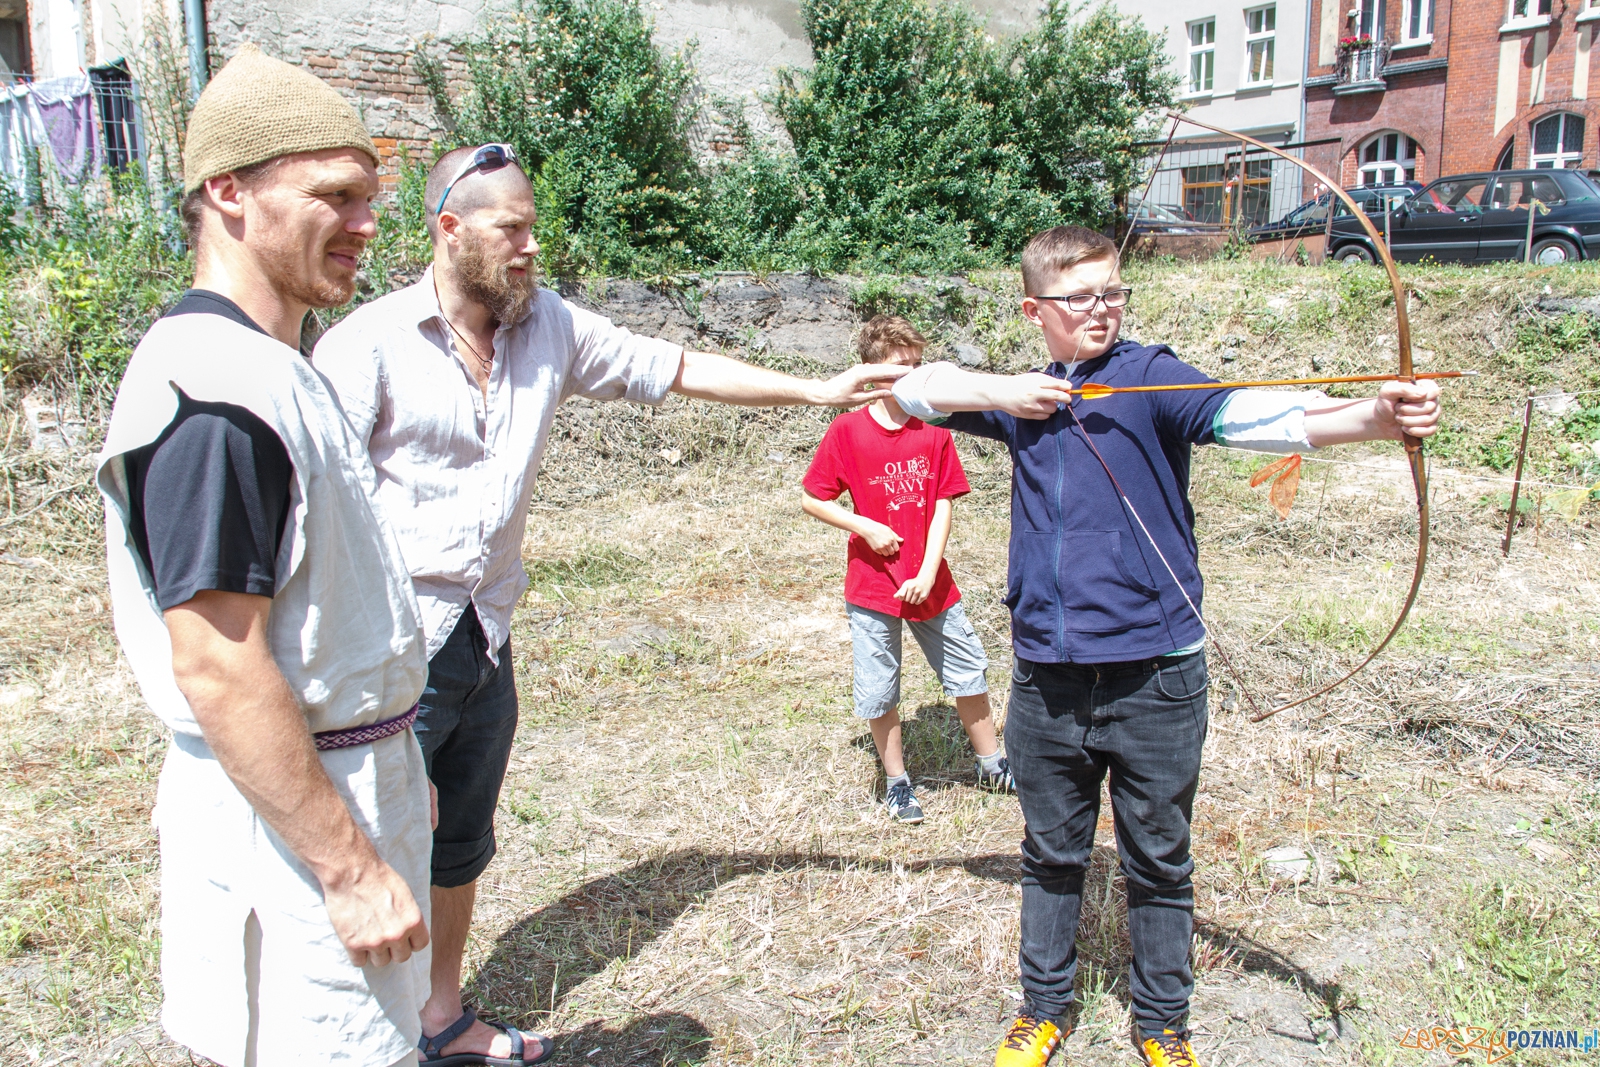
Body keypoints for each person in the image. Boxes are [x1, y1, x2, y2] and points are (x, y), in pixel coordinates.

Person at [312, 144, 909, 1064]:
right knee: (374, 846)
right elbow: (322, 520)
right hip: (389, 647)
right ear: (449, 230)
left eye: (533, 228)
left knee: (461, 836)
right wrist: (372, 684)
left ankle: (440, 1016)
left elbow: (676, 367)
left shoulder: (547, 325)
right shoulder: (367, 346)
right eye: (511, 228)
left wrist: (815, 390)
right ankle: (354, 1039)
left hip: (485, 631)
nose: (529, 248)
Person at [888, 225, 1442, 1067]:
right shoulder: (1020, 399)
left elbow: (1250, 413)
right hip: (1048, 677)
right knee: (1051, 853)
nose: (1102, 310)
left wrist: (1373, 414)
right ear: (1035, 309)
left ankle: (1162, 1027)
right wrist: (1007, 391)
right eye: (1080, 298)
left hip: (1157, 674)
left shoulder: (1152, 375)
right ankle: (1044, 1010)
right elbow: (914, 389)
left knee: (1158, 859)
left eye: (1113, 291)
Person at [96, 46, 436, 1067]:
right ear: (228, 191)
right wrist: (346, 865)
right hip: (288, 845)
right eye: (334, 194)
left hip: (337, 790)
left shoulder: (269, 367)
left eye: (372, 195)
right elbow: (217, 659)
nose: (368, 224)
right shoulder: (214, 397)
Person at [799, 314, 1011, 825]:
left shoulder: (934, 430)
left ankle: (992, 763)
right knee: (879, 686)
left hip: (931, 583)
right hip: (872, 586)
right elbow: (813, 498)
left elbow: (943, 505)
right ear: (871, 372)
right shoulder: (846, 431)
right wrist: (865, 527)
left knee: (967, 669)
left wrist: (928, 569)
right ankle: (897, 783)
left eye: (918, 365)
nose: (912, 376)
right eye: (900, 368)